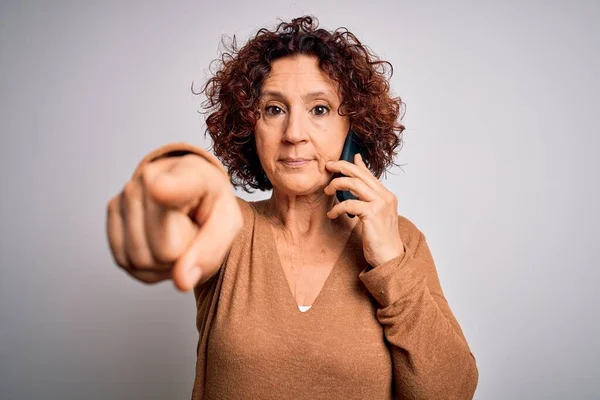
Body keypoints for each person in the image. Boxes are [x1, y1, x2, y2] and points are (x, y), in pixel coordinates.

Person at [106, 15, 478, 400]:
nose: (294, 134)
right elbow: (181, 201)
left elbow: (451, 392)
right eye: (273, 109)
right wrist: (177, 175)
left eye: (319, 109)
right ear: (251, 127)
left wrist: (391, 266)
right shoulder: (231, 227)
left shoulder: (401, 241)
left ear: (353, 127)